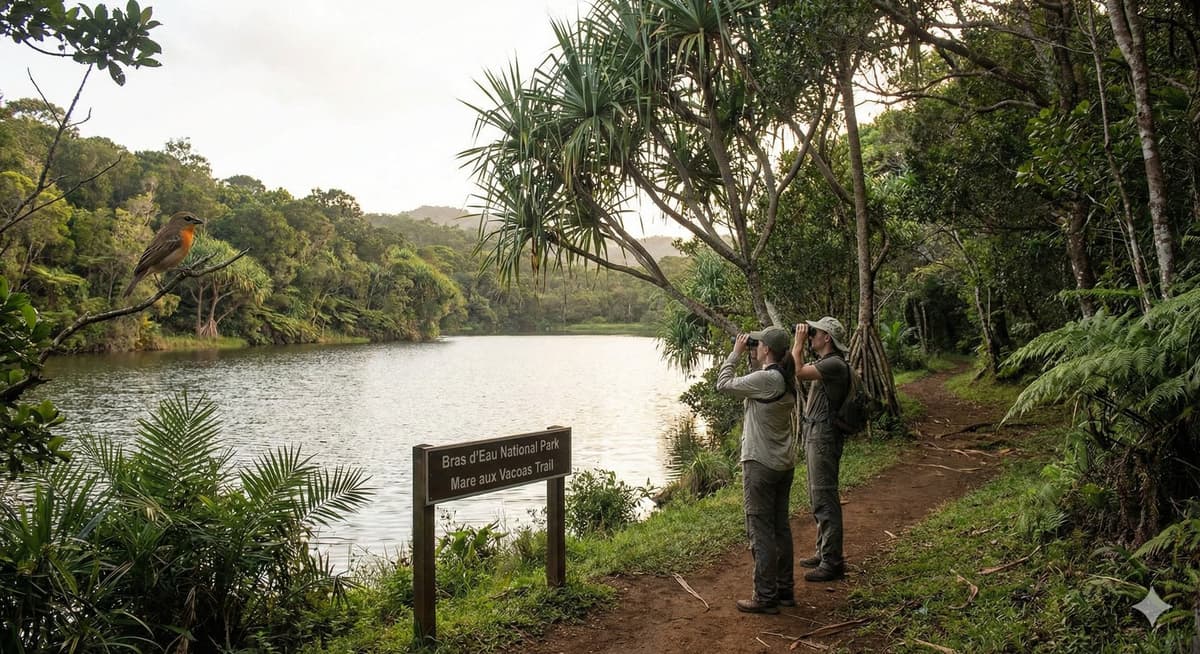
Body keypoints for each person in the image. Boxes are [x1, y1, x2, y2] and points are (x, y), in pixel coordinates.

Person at [716, 325, 798, 614]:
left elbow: (723, 384)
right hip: (783, 463)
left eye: (759, 343)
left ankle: (765, 596)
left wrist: (736, 353)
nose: (756, 346)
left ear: (767, 349)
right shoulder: (785, 377)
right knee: (780, 528)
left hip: (760, 464)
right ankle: (785, 590)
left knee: (761, 530)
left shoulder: (767, 378)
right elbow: (755, 383)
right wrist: (752, 355)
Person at [792, 317, 852, 582]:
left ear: (827, 338)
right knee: (818, 496)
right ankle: (823, 551)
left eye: (814, 332)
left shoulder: (834, 363)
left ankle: (832, 562)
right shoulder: (827, 363)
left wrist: (798, 343)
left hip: (824, 435)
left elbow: (797, 371)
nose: (811, 335)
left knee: (824, 496)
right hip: (817, 433)